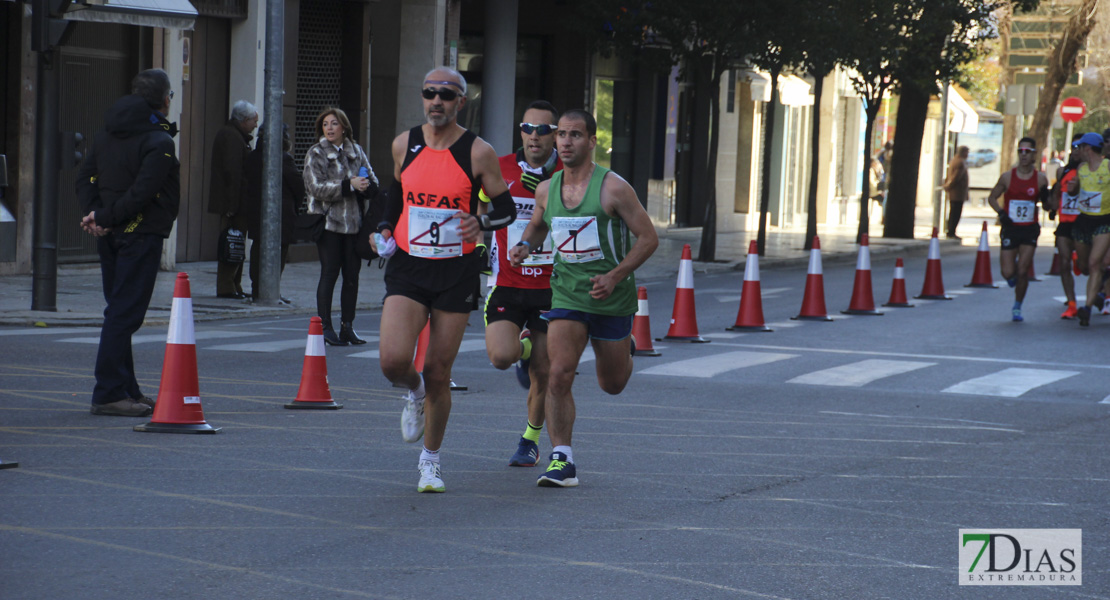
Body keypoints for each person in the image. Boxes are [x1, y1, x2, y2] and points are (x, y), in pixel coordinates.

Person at [371, 67, 516, 493]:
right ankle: (413, 393)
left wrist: (482, 221)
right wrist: (383, 228)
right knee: (393, 361)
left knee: (438, 369)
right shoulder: (404, 144)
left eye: (446, 95)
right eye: (430, 93)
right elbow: (395, 196)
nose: (437, 101)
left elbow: (505, 209)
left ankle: (430, 462)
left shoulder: (478, 152)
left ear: (460, 103)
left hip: (456, 270)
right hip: (410, 266)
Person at [508, 109, 659, 487]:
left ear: (592, 141)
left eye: (575, 135)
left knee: (612, 384)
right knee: (558, 373)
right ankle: (562, 460)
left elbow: (648, 238)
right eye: (561, 134)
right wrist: (525, 244)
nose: (566, 142)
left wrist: (614, 276)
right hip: (567, 294)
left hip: (611, 297)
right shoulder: (547, 188)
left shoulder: (614, 188)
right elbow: (539, 223)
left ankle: (625, 347)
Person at [76, 68, 180, 417]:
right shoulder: (160, 142)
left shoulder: (107, 135)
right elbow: (142, 193)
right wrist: (103, 218)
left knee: (119, 310)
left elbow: (86, 177)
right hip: (140, 235)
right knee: (123, 314)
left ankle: (127, 389)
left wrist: (97, 216)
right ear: (164, 100)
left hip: (112, 235)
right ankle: (107, 392)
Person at [480, 100, 563, 467]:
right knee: (501, 356)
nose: (534, 136)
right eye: (527, 128)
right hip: (508, 282)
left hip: (552, 287)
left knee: (543, 373)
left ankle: (529, 440)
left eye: (543, 130)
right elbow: (482, 207)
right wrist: (482, 246)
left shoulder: (569, 173)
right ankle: (524, 349)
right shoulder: (501, 169)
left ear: (556, 136)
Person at [303, 107, 378, 345]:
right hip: (328, 223)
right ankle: (326, 327)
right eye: (325, 124)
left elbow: (373, 181)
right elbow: (315, 186)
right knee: (329, 274)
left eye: (334, 124)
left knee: (352, 277)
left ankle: (348, 326)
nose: (330, 128)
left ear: (344, 127)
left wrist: (366, 186)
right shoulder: (316, 152)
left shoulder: (356, 151)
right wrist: (348, 185)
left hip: (354, 225)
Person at [987, 137, 1048, 323]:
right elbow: (992, 197)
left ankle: (1017, 306)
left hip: (1029, 228)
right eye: (1020, 151)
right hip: (1011, 227)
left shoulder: (1040, 179)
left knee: (1022, 271)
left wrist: (1050, 201)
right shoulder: (1007, 177)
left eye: (1027, 152)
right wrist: (1001, 213)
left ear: (1034, 155)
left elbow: (1047, 203)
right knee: (1007, 272)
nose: (1023, 155)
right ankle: (1013, 281)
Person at [244, 122, 305, 301]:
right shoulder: (283, 159)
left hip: (256, 211)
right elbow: (298, 186)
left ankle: (257, 291)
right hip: (281, 215)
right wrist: (295, 205)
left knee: (258, 249)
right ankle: (271, 291)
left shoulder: (253, 157)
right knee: (279, 252)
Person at [208, 100, 258, 299]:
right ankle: (227, 286)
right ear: (244, 120)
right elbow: (232, 173)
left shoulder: (237, 136)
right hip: (234, 203)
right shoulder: (231, 137)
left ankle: (234, 284)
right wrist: (231, 206)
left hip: (237, 202)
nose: (255, 124)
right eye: (254, 120)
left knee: (236, 243)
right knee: (231, 242)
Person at [1066, 131, 1110, 326]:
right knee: (1084, 267)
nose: (1078, 151)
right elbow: (1073, 192)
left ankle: (1087, 308)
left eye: (1080, 147)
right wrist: (1072, 187)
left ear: (1088, 148)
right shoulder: (1081, 168)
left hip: (1103, 221)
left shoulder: (1108, 167)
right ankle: (1097, 296)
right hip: (1083, 221)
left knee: (1094, 263)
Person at [1050, 134, 1085, 319]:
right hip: (1064, 224)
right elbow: (1057, 192)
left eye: (1081, 147)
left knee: (1086, 266)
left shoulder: (1090, 171)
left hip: (1084, 223)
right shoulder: (1062, 171)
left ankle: (1078, 260)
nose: (1077, 150)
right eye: (1075, 146)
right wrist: (1052, 205)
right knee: (1063, 264)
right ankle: (1071, 304)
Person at [944, 146, 970, 239]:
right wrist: (948, 186)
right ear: (963, 152)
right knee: (956, 213)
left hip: (955, 192)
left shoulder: (954, 160)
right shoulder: (960, 163)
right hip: (958, 193)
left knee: (953, 212)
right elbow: (956, 177)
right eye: (967, 152)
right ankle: (951, 231)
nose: (968, 155)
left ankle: (950, 230)